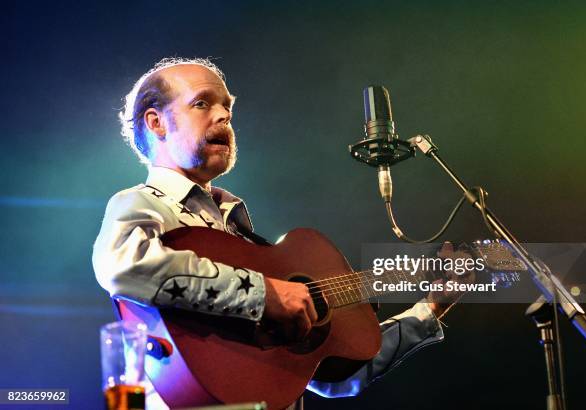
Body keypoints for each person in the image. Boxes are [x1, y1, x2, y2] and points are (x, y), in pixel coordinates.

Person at [92, 57, 465, 409]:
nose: (224, 115)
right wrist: (263, 293)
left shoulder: (240, 235)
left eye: (227, 108)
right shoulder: (142, 204)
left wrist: (430, 308)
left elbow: (329, 380)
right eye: (203, 104)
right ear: (156, 123)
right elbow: (124, 265)